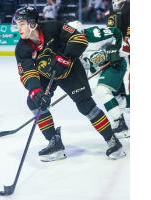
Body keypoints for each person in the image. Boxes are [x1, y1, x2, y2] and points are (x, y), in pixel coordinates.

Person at [13, 6, 126, 162]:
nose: (18, 28)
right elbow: (27, 72)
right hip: (47, 74)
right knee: (34, 102)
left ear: (32, 23)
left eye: (22, 23)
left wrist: (64, 58)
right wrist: (36, 90)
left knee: (86, 106)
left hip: (70, 70)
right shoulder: (22, 48)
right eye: (17, 24)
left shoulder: (52, 27)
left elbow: (79, 38)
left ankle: (112, 140)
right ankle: (55, 143)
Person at [68, 20, 129, 139]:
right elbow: (87, 64)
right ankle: (122, 110)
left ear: (82, 33)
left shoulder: (95, 34)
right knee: (103, 92)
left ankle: (120, 123)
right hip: (102, 68)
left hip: (117, 62)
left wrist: (114, 50)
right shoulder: (74, 46)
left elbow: (116, 32)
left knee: (102, 91)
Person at [106, 0, 130, 111]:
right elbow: (110, 27)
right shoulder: (112, 9)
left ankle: (129, 102)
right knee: (121, 72)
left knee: (128, 74)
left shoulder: (129, 7)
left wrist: (127, 36)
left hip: (127, 43)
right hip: (117, 46)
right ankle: (122, 97)